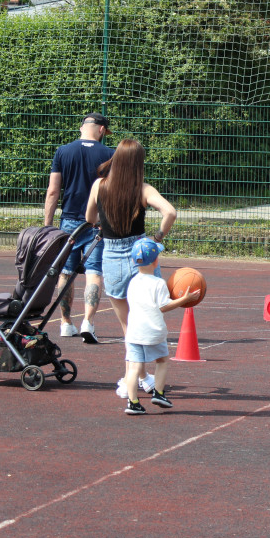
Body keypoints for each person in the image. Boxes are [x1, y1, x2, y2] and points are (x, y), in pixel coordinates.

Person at [86, 138, 178, 390]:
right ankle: (135, 379)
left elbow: (89, 217)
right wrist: (157, 237)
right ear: (138, 163)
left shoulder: (99, 186)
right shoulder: (143, 189)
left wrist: (102, 222)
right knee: (148, 319)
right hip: (141, 257)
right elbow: (170, 212)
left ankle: (137, 378)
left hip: (112, 256)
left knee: (128, 326)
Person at [44, 112, 114, 343]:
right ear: (102, 129)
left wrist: (47, 226)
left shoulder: (63, 151)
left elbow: (54, 191)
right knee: (94, 273)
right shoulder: (109, 154)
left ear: (82, 127)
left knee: (66, 273)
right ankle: (88, 322)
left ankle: (65, 323)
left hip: (69, 223)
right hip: (97, 223)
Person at [120, 237, 200, 415]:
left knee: (133, 368)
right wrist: (184, 299)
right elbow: (164, 306)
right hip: (153, 332)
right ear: (156, 261)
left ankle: (132, 403)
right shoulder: (158, 283)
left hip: (133, 333)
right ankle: (159, 393)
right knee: (162, 361)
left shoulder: (132, 282)